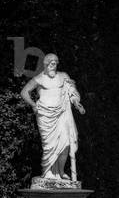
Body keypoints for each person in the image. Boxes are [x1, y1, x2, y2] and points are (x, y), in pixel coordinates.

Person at [21, 53, 85, 181]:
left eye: (55, 64)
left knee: (65, 144)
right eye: (50, 64)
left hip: (61, 113)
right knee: (49, 146)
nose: (53, 66)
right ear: (45, 64)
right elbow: (24, 92)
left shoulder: (63, 76)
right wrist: (33, 104)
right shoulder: (39, 78)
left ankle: (60, 171)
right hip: (45, 115)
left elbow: (71, 91)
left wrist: (76, 102)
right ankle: (48, 172)